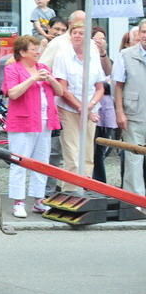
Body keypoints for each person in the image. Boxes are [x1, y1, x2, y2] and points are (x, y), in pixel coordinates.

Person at [2, 35, 63, 217]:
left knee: (41, 162)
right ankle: (18, 202)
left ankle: (38, 200)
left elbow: (60, 91)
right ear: (22, 52)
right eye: (34, 49)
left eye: (38, 49)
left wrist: (50, 79)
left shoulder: (44, 68)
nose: (38, 52)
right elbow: (12, 93)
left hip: (44, 121)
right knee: (19, 162)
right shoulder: (13, 69)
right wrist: (33, 79)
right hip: (22, 121)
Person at [52, 23, 106, 193]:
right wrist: (82, 108)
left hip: (91, 110)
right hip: (69, 110)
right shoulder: (62, 55)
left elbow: (100, 87)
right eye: (74, 32)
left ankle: (85, 188)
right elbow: (63, 89)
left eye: (81, 33)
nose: (77, 35)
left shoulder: (94, 54)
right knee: (72, 152)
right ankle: (71, 190)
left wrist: (89, 107)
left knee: (88, 153)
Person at [113, 18, 146, 195]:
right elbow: (118, 85)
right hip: (133, 113)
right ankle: (135, 200)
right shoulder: (125, 55)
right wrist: (120, 112)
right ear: (139, 34)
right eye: (144, 32)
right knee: (134, 159)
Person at [91, 26, 116, 184]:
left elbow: (109, 73)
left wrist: (102, 52)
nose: (100, 41)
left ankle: (98, 181)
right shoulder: (82, 57)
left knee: (101, 147)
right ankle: (97, 182)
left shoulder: (104, 57)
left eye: (103, 38)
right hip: (90, 106)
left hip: (105, 108)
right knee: (93, 149)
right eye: (96, 38)